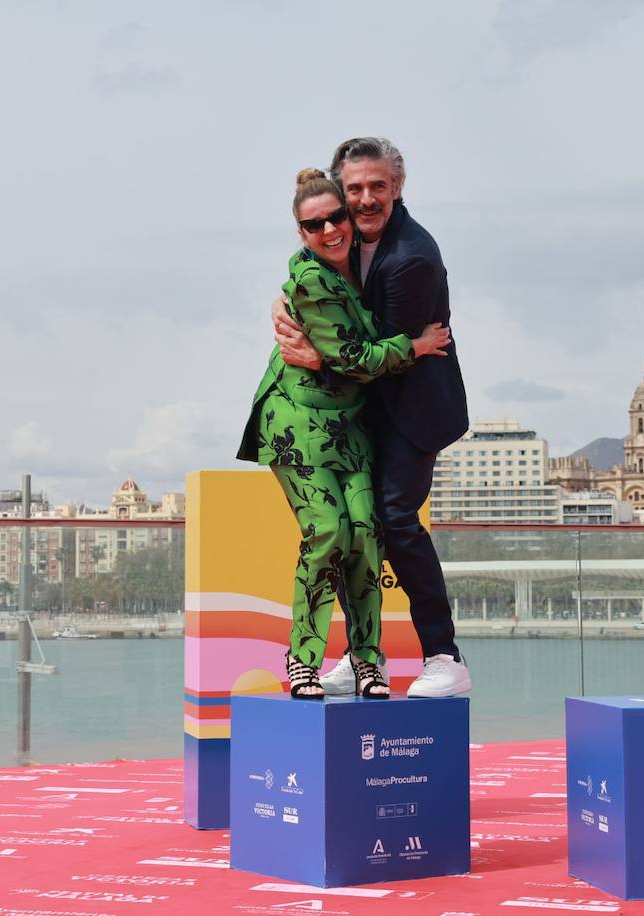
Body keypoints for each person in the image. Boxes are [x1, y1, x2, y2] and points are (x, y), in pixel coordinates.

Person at [238, 167, 452, 699]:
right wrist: (417, 346)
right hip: (298, 426)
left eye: (337, 216)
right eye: (315, 225)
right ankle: (304, 657)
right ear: (301, 234)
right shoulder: (312, 279)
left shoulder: (365, 263)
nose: (331, 228)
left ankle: (366, 660)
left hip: (350, 428)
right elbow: (353, 357)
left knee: (365, 534)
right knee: (329, 533)